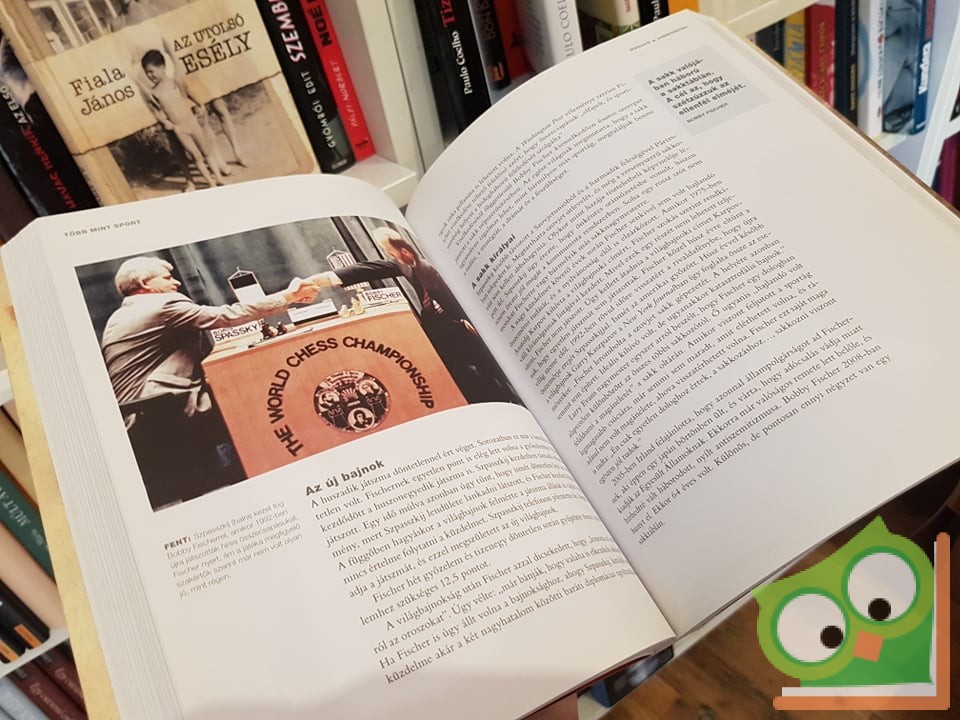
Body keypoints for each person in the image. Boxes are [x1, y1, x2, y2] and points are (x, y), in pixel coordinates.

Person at [101, 256, 318, 508]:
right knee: (258, 401)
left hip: (138, 414)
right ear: (144, 283)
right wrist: (289, 296)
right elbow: (227, 316)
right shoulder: (162, 305)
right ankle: (273, 481)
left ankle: (246, 480)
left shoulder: (119, 315)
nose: (176, 283)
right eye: (167, 278)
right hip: (162, 411)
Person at [309, 227, 518, 404]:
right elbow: (368, 269)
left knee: (491, 370)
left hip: (465, 328)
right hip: (442, 329)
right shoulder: (408, 267)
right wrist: (319, 281)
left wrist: (469, 322)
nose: (391, 257)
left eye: (392, 253)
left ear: (404, 251)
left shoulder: (431, 270)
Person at [140, 49, 227, 190]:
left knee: (207, 151)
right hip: (179, 128)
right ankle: (211, 183)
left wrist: (200, 104)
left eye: (151, 71)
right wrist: (166, 122)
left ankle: (219, 178)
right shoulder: (154, 93)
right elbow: (156, 112)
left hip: (192, 121)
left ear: (162, 67)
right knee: (196, 156)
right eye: (146, 73)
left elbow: (189, 93)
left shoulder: (175, 82)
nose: (149, 75)